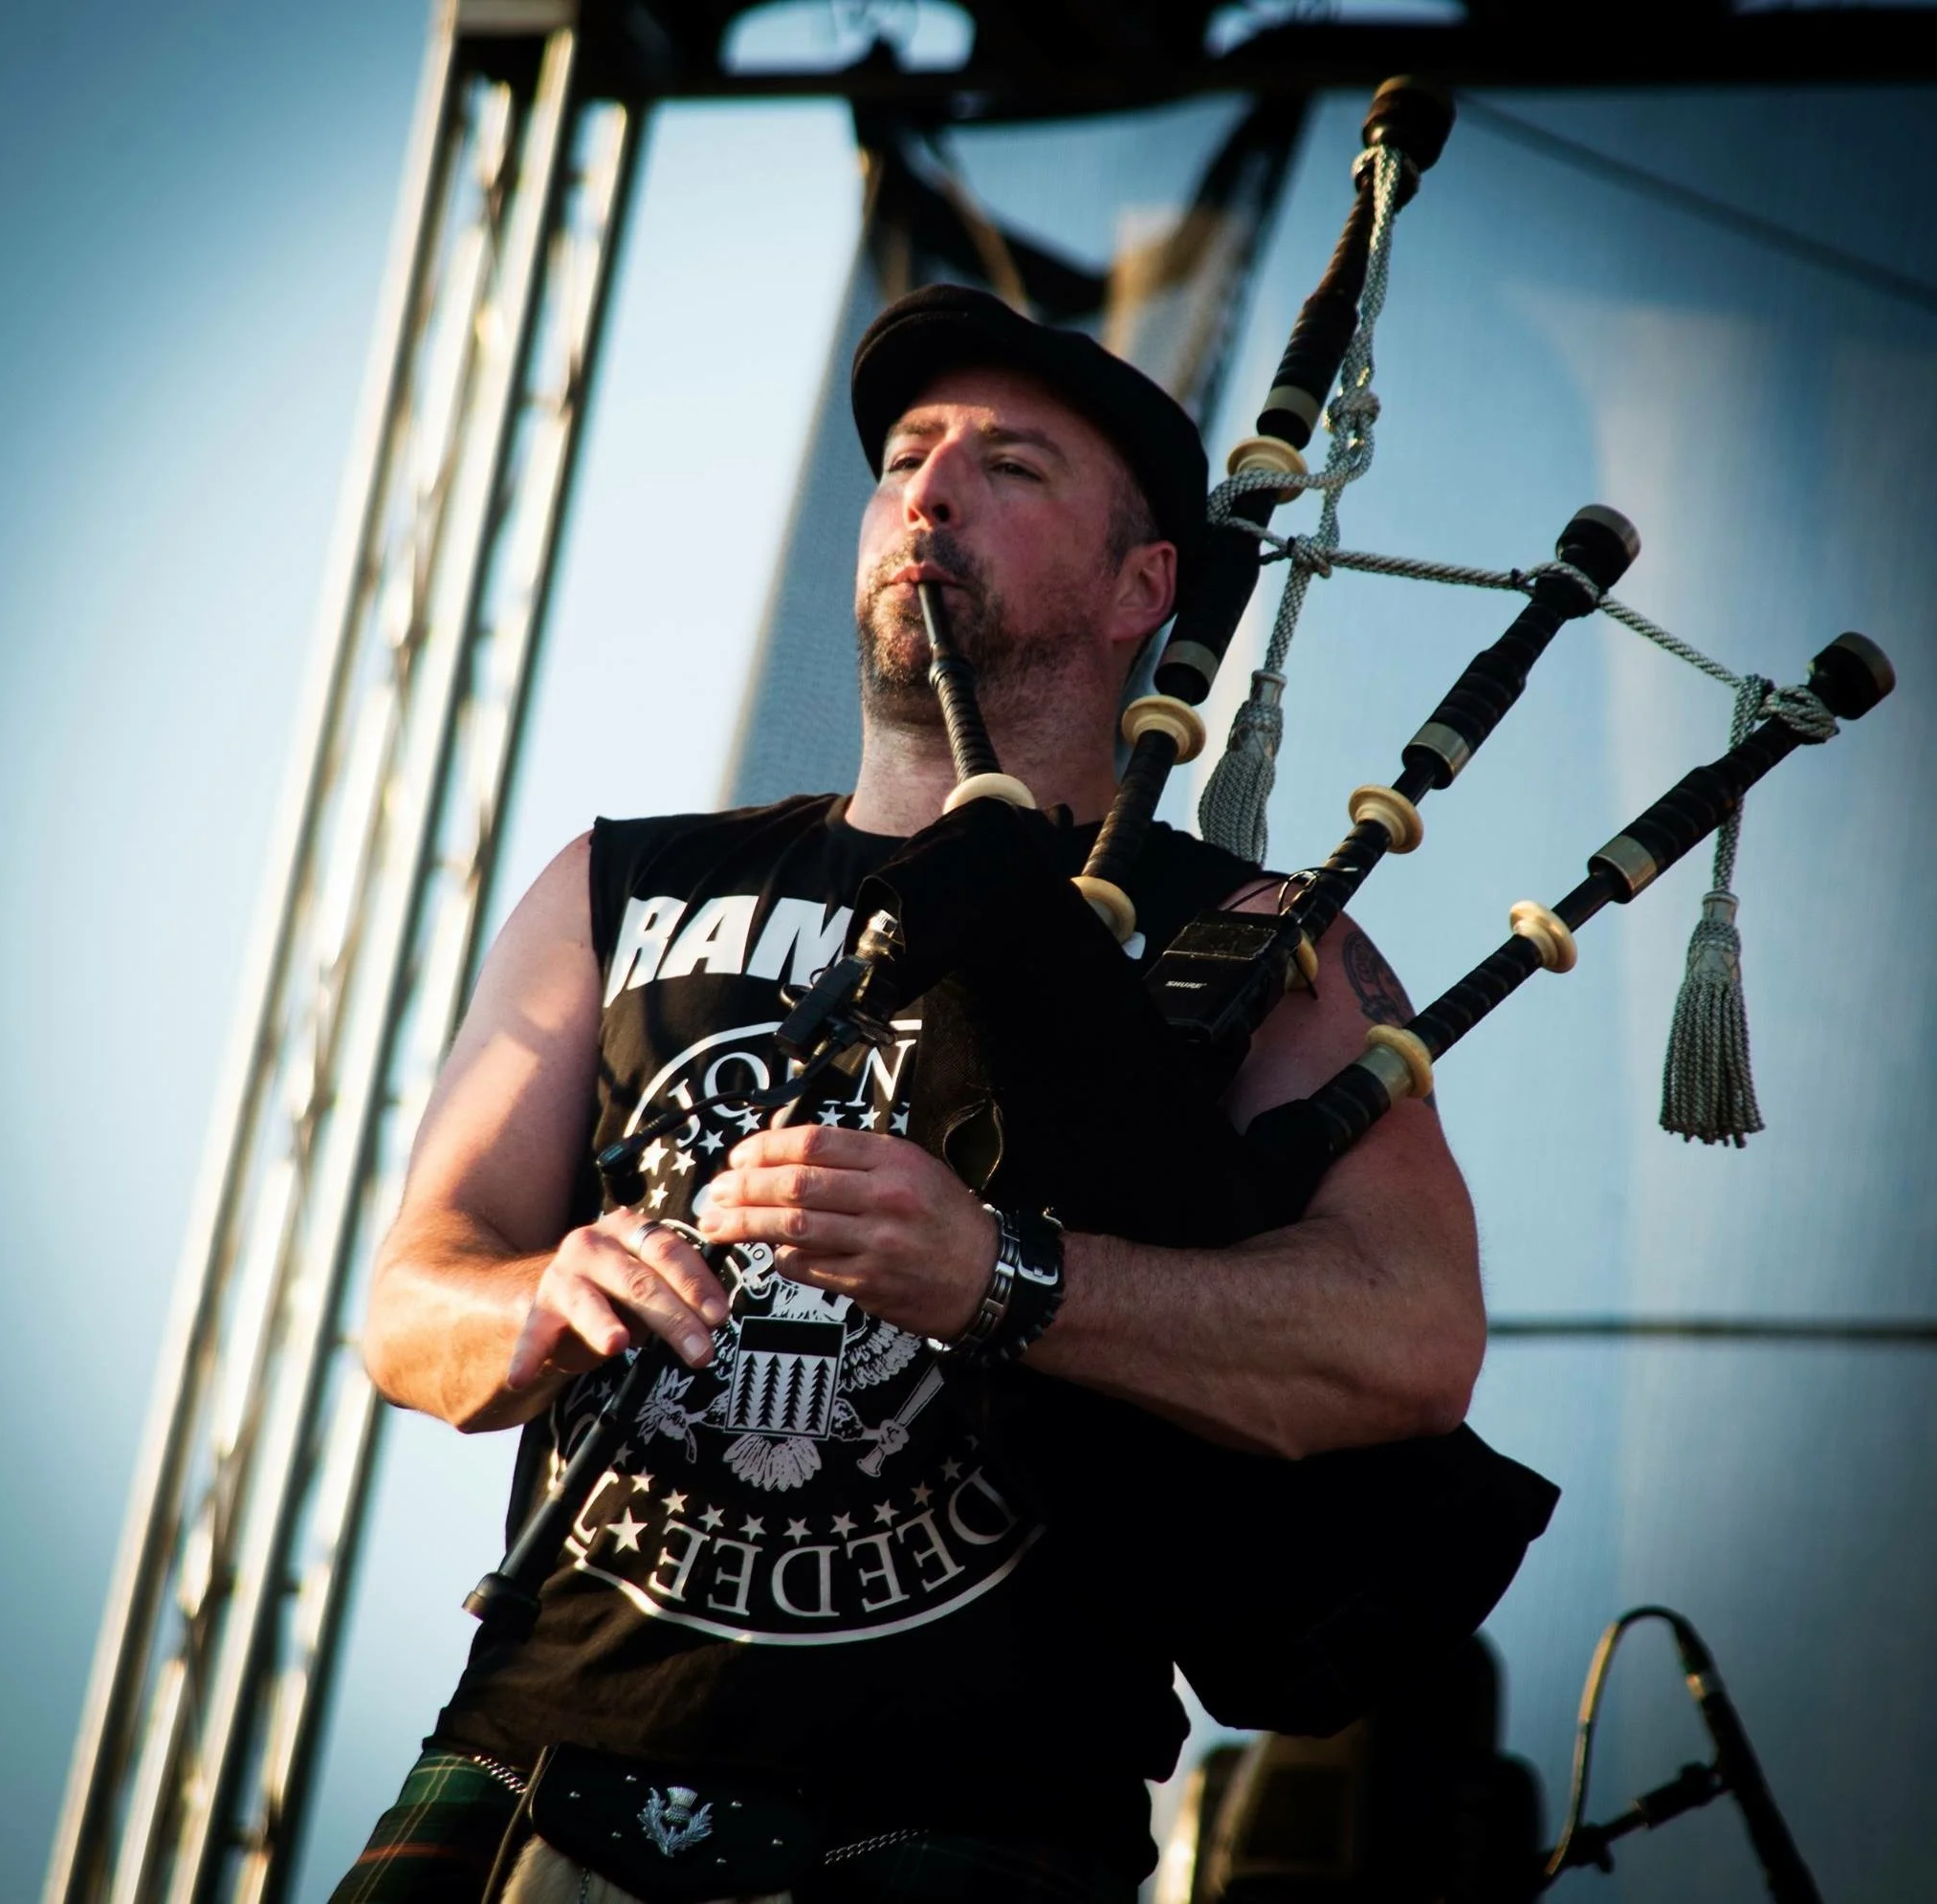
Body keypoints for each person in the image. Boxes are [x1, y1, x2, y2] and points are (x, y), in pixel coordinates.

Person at [336, 285, 1485, 1903]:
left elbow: (1408, 1334)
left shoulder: (1259, 943)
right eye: (906, 458)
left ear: (1139, 586)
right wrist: (537, 1295)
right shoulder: (620, 883)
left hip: (971, 1824)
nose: (930, 492)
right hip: (539, 1780)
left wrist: (1001, 1278)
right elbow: (407, 1302)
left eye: (1010, 468)